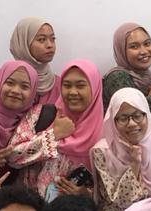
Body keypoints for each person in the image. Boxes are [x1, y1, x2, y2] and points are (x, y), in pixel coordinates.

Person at [7, 60, 103, 202]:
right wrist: (53, 134)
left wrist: (86, 194)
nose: (73, 92)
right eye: (67, 85)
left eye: (80, 85)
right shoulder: (40, 115)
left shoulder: (105, 133)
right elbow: (12, 156)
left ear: (94, 88)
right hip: (29, 209)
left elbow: (107, 193)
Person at [0, 17, 59, 104]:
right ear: (23, 42)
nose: (50, 45)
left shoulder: (59, 83)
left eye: (53, 39)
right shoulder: (0, 79)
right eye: (41, 39)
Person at [101, 22, 151, 116]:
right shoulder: (117, 78)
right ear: (121, 50)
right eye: (134, 46)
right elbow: (136, 115)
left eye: (147, 44)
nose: (143, 51)